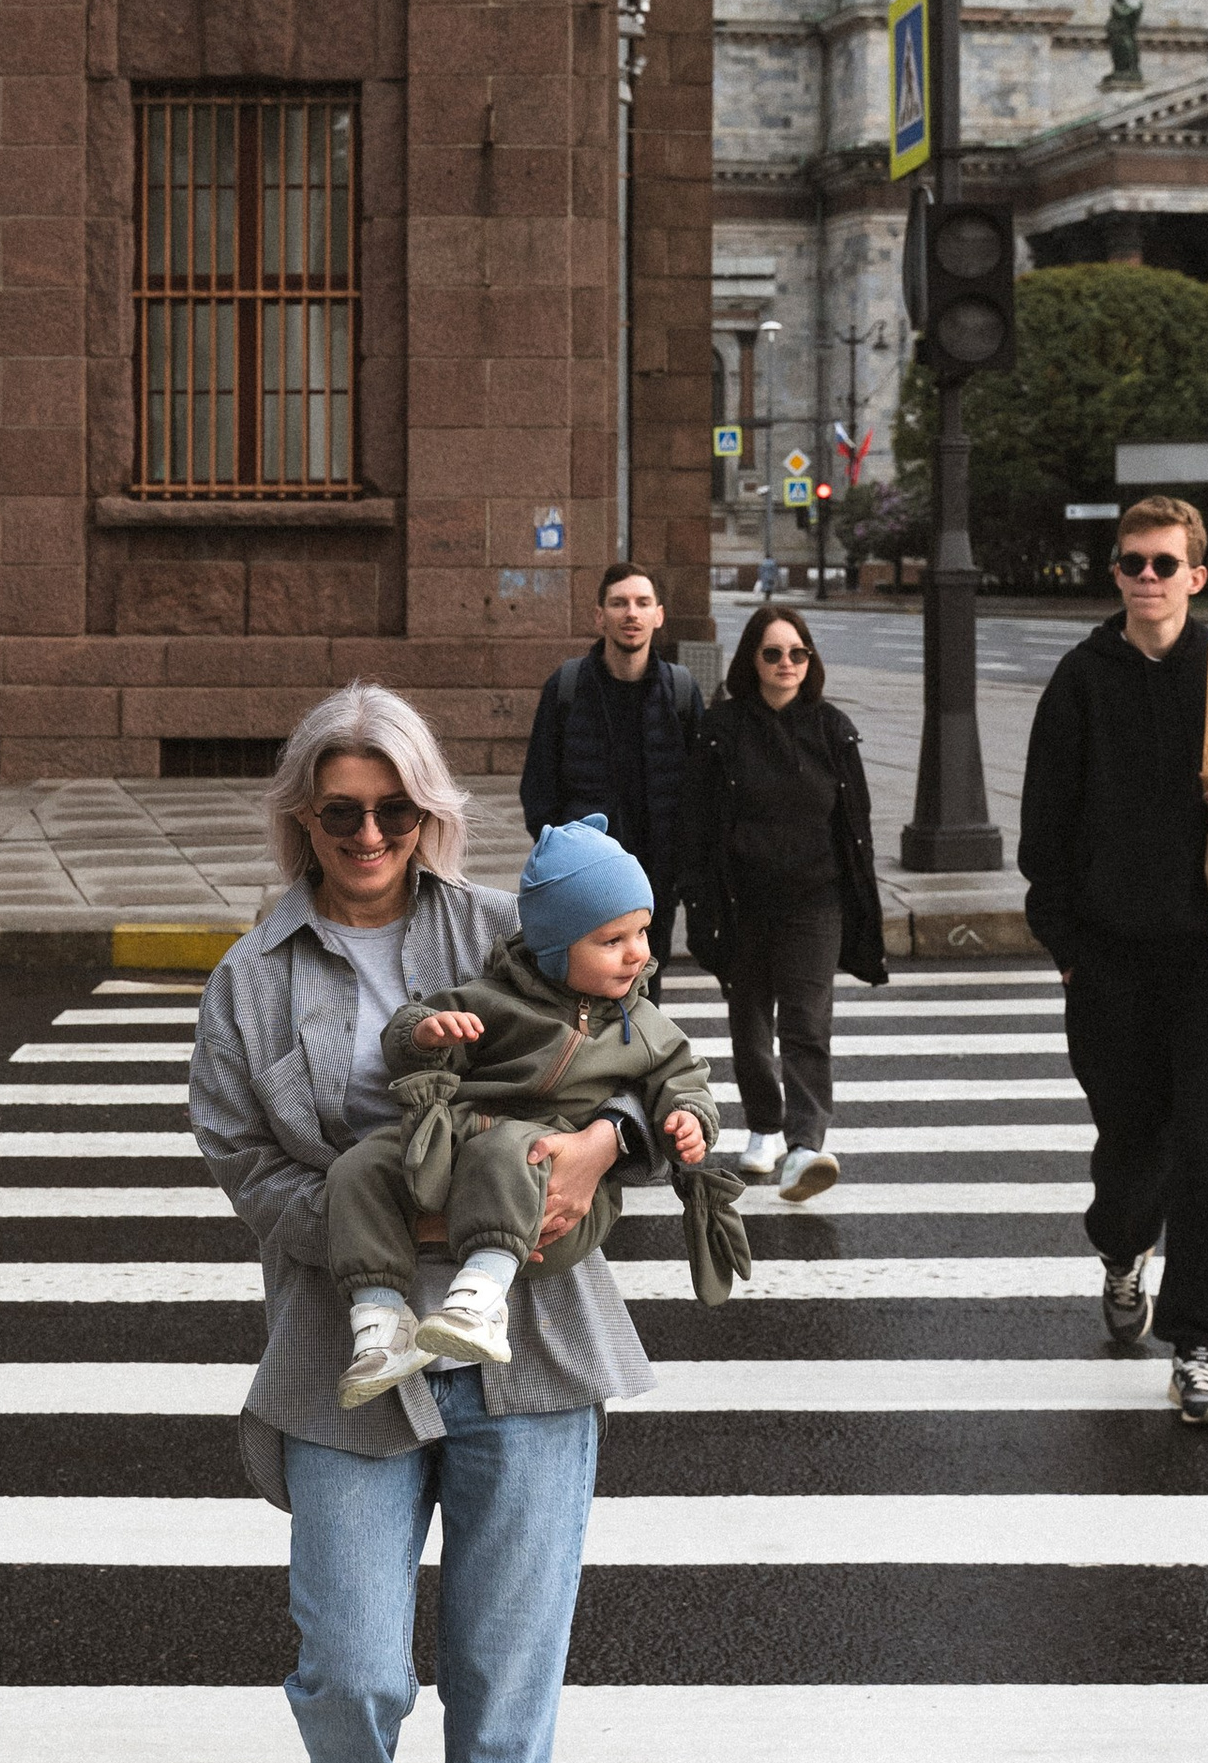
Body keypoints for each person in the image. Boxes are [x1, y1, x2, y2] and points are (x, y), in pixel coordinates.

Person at [189, 683, 674, 1763]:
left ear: (429, 814)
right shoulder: (251, 981)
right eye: (341, 810)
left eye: (393, 809)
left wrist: (612, 1146)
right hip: (350, 1353)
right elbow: (241, 1160)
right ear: (303, 817)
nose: (368, 832)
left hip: (528, 1349)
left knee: (504, 1682)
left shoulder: (494, 930)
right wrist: (376, 1230)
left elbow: (639, 1035)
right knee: (347, 1667)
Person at [1017, 492, 1208, 1429]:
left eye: (1163, 563)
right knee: (1133, 1147)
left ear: (1197, 575)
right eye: (1131, 562)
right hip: (1109, 964)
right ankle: (1121, 1246)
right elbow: (1041, 836)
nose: (1144, 577)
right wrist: (1071, 951)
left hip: (1207, 960)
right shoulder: (1079, 679)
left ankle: (1200, 1348)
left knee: (1203, 1156)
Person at [326, 815, 721, 1404]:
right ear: (555, 951)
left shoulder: (646, 1028)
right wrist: (429, 1033)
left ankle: (481, 1300)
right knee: (359, 1167)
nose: (637, 954)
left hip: (551, 1195)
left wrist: (688, 1119)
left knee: (511, 1146)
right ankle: (381, 1322)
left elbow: (683, 1079)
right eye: (611, 941)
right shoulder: (492, 998)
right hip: (459, 1150)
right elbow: (406, 1032)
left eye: (642, 932)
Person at [682, 603, 887, 1195]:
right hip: (742, 901)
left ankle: (804, 1145)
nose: (787, 664)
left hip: (815, 902)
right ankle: (764, 1128)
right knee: (749, 1022)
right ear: (753, 660)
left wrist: (860, 903)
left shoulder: (832, 728)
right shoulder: (722, 729)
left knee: (806, 1022)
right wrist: (699, 903)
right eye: (773, 653)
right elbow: (697, 825)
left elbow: (856, 827)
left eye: (798, 653)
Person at [518, 556, 704, 967]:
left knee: (645, 992)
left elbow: (699, 792)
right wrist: (563, 858)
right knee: (585, 995)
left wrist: (682, 865)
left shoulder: (682, 691)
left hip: (655, 878)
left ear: (658, 616)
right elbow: (538, 786)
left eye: (642, 602)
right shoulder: (566, 687)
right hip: (586, 878)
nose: (631, 613)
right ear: (600, 617)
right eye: (619, 603)